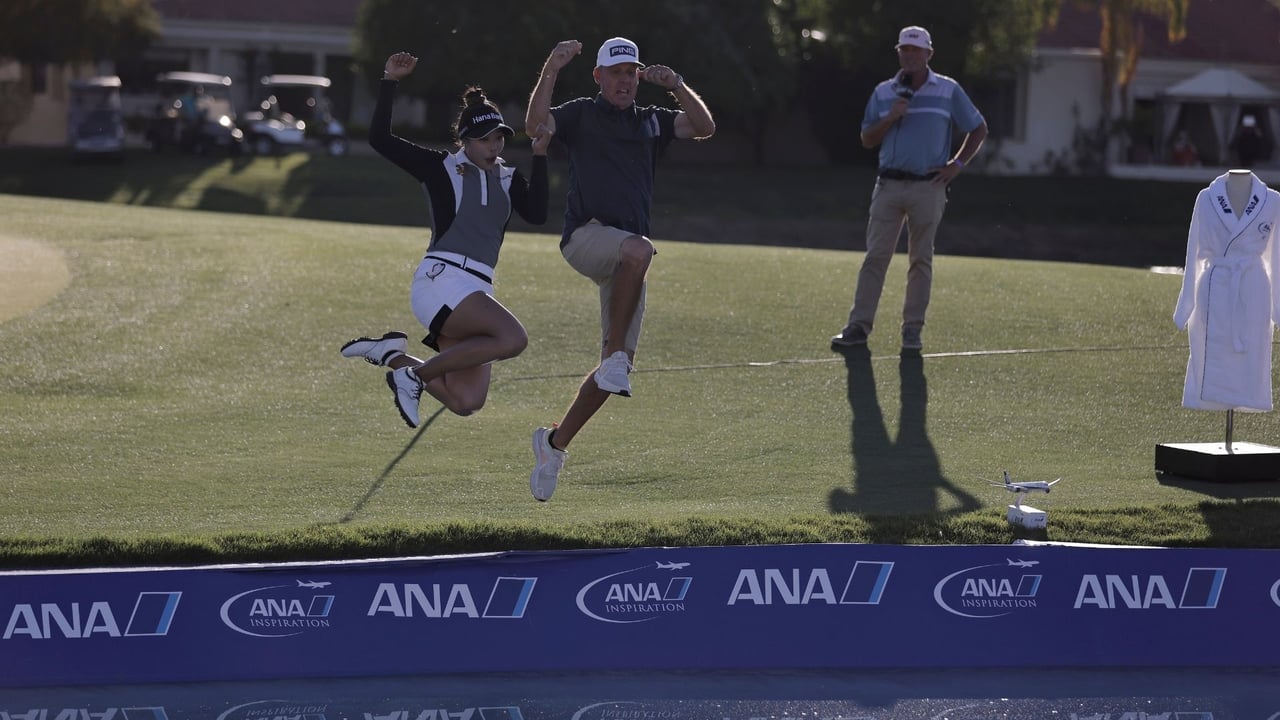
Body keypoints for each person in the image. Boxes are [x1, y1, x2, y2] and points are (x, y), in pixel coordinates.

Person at [523, 37, 715, 501]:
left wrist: (678, 85)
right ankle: (612, 359)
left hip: (626, 254)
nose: (625, 80)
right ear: (599, 77)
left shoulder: (652, 120)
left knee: (619, 369)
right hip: (587, 238)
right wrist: (551, 65)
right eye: (616, 72)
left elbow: (704, 126)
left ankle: (554, 444)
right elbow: (533, 124)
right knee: (641, 252)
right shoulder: (579, 114)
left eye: (631, 72)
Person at [341, 52, 550, 435]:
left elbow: (538, 213)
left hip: (475, 291)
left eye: (499, 137)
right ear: (465, 141)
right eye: (485, 139)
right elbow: (379, 140)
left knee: (466, 401)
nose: (494, 146)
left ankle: (393, 356)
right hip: (441, 282)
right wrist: (389, 80)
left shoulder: (508, 178)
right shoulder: (439, 168)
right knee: (513, 338)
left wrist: (539, 155)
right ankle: (415, 377)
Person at [831, 25, 987, 353]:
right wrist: (890, 117)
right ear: (898, 52)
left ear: (929, 54)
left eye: (916, 50)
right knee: (875, 257)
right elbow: (867, 139)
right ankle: (858, 327)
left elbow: (978, 128)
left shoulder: (948, 90)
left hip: (927, 186)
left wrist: (956, 165)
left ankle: (912, 331)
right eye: (905, 49)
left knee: (920, 260)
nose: (910, 55)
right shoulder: (884, 92)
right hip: (887, 184)